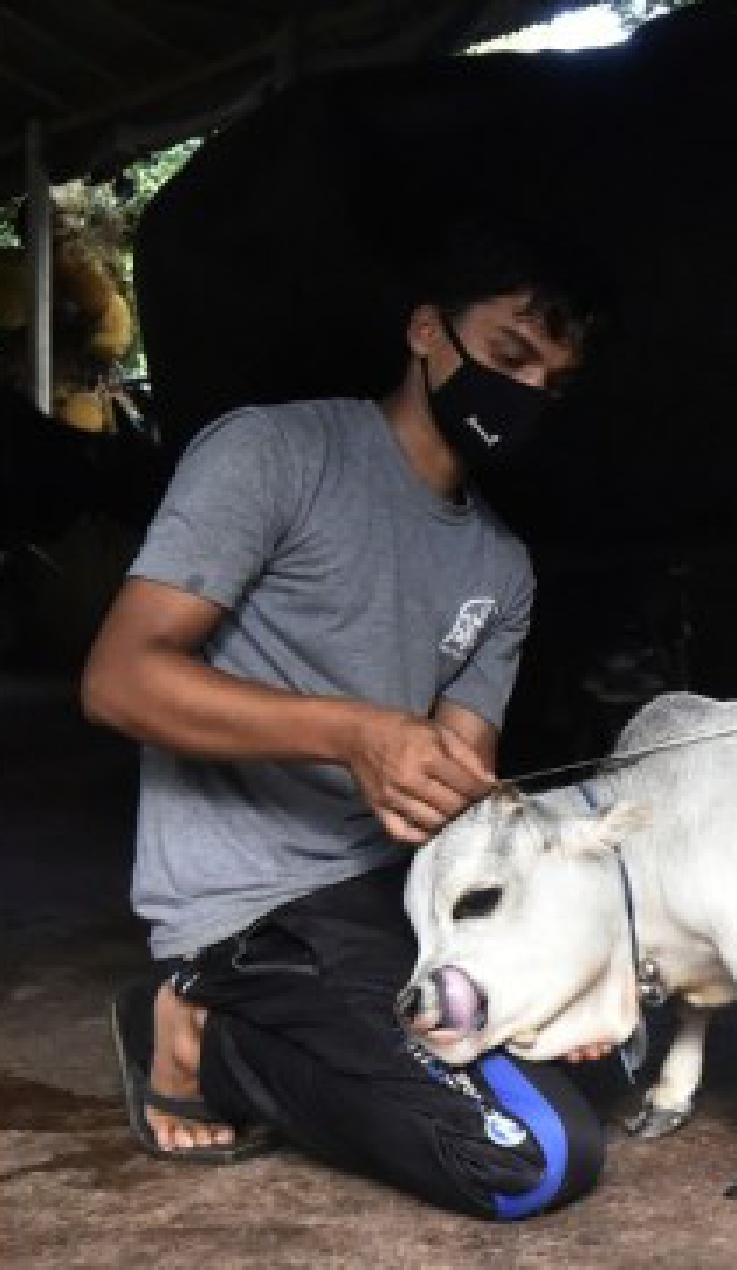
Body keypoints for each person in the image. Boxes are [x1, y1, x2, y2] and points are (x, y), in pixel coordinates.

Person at [82, 216, 613, 1218]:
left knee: (608, 1038)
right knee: (528, 1155)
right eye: (509, 355)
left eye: (555, 381)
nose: (529, 392)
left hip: (390, 894)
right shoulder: (276, 452)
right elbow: (118, 680)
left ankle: (314, 1028)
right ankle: (203, 1027)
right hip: (255, 902)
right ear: (426, 330)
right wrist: (356, 732)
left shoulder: (500, 565)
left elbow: (460, 788)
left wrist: (561, 939)